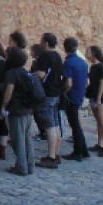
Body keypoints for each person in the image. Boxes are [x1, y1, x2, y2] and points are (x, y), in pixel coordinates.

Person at [0, 43, 35, 176]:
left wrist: (3, 106)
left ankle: (21, 167)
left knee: (17, 140)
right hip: (27, 109)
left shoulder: (12, 73)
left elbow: (9, 92)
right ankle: (29, 166)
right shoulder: (25, 72)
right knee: (27, 140)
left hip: (16, 110)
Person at [32, 32, 64, 168]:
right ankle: (55, 154)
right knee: (55, 125)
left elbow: (41, 74)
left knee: (50, 126)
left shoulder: (45, 56)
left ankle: (51, 157)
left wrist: (30, 76)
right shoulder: (57, 56)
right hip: (56, 93)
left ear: (45, 43)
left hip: (47, 94)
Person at [61, 37, 90, 161]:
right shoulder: (83, 62)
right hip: (79, 95)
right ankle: (83, 150)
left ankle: (78, 152)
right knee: (76, 124)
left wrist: (63, 93)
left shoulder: (68, 62)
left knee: (74, 125)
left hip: (71, 96)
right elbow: (87, 82)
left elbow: (68, 83)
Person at [85, 45, 103, 157]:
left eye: (88, 51)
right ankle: (100, 144)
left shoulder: (100, 67)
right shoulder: (93, 67)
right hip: (93, 96)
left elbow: (102, 82)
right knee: (99, 122)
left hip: (99, 97)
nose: (86, 53)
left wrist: (99, 97)